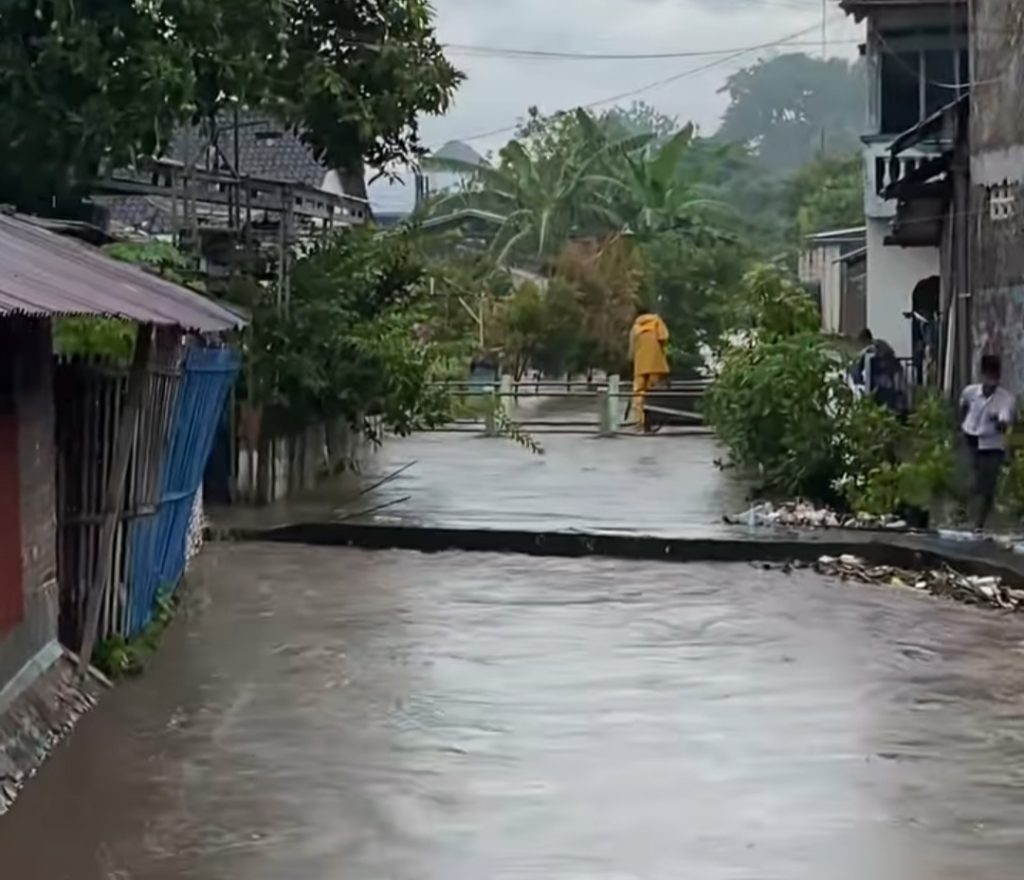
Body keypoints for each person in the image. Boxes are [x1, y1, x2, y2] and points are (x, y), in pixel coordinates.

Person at [960, 354, 1016, 531]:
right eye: (988, 377)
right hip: (971, 438)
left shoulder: (1005, 399)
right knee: (971, 480)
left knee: (987, 483)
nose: (992, 382)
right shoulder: (970, 392)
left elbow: (1005, 421)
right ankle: (967, 515)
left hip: (992, 444)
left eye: (995, 378)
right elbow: (963, 407)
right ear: (982, 375)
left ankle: (979, 523)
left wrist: (999, 423)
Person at [629, 306, 670, 432]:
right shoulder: (656, 321)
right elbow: (664, 337)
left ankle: (639, 422)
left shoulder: (635, 327)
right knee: (653, 393)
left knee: (638, 392)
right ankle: (652, 420)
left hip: (640, 364)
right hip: (655, 363)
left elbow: (632, 349)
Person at [851, 328, 905, 413]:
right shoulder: (877, 347)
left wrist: (859, 381)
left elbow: (857, 368)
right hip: (885, 385)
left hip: (882, 385)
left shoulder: (874, 349)